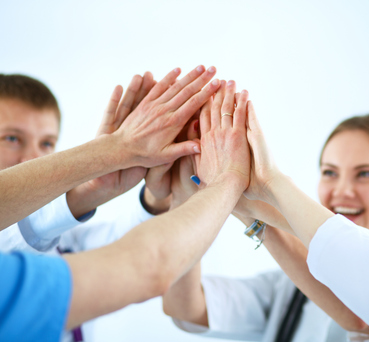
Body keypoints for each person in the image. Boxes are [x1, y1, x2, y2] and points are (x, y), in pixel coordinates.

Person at [1, 68, 253, 342]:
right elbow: (149, 264)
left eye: (47, 143)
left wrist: (155, 195)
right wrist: (229, 180)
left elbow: (125, 245)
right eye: (11, 139)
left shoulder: (67, 241)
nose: (33, 158)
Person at [163, 113, 369, 341]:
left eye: (365, 174)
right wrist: (184, 194)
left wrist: (249, 206)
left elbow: (363, 319)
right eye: (330, 172)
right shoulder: (286, 289)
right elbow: (185, 308)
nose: (342, 191)